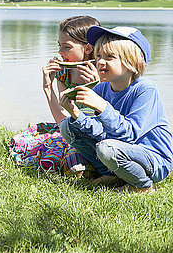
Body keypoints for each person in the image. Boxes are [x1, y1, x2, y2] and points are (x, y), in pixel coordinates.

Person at [59, 26, 173, 194]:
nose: (100, 62)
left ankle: (143, 185)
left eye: (109, 57)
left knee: (107, 148)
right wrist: (76, 114)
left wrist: (103, 107)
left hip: (153, 159)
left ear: (132, 63)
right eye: (98, 56)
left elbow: (131, 135)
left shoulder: (145, 89)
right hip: (118, 148)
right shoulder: (102, 89)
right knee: (67, 126)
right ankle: (111, 174)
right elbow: (100, 132)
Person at [9, 16, 100, 176]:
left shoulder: (105, 71)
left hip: (98, 134)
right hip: (70, 130)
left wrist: (98, 88)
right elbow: (62, 121)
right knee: (50, 156)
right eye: (59, 45)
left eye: (67, 47)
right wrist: (47, 87)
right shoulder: (64, 73)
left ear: (87, 48)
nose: (60, 52)